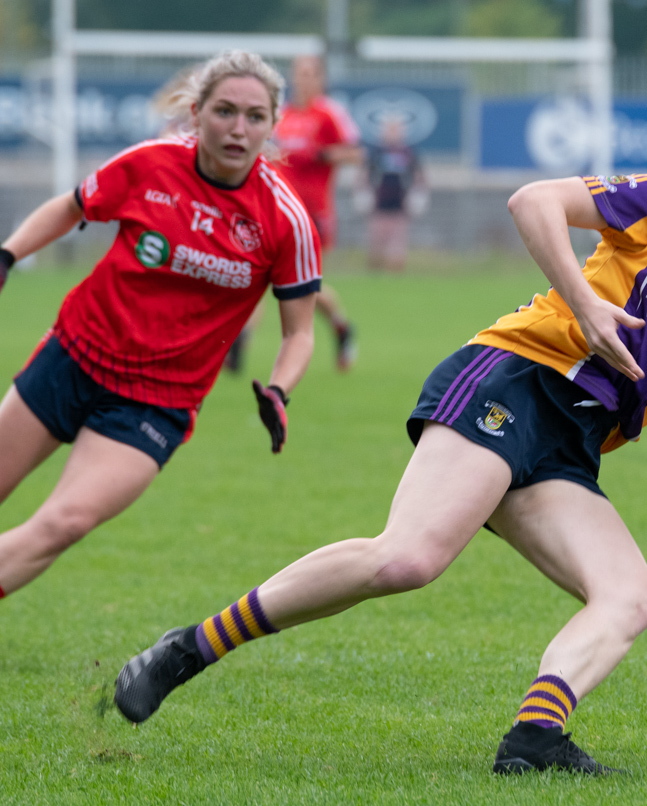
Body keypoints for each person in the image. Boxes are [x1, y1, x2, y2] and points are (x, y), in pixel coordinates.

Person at [112, 77, 647, 774]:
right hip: (514, 377)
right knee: (407, 559)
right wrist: (586, 306)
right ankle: (187, 650)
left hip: (571, 445)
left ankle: (535, 736)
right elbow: (532, 201)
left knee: (632, 597)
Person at [0, 50, 320, 600]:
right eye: (223, 111)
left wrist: (279, 390)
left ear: (272, 124)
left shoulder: (284, 218)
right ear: (195, 113)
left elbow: (299, 332)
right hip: (74, 355)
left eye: (253, 116)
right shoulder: (149, 164)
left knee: (66, 522)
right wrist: (8, 254)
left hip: (156, 400)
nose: (237, 129)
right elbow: (71, 207)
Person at [228, 55, 358, 372]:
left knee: (305, 285)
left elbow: (354, 153)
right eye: (299, 73)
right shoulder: (282, 115)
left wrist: (320, 154)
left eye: (310, 73)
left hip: (314, 213)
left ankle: (341, 325)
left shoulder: (328, 114)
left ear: (321, 79)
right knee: (258, 274)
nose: (304, 79)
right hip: (276, 209)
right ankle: (239, 339)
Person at [364, 115, 427, 271]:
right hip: (378, 204)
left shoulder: (408, 153)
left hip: (400, 205)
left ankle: (395, 278)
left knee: (397, 248)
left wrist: (418, 195)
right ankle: (376, 276)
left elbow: (419, 175)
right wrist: (363, 193)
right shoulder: (376, 152)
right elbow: (365, 174)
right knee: (376, 245)